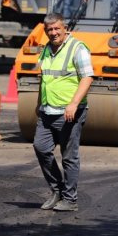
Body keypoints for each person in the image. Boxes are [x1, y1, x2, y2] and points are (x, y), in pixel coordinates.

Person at [33, 12, 94, 212]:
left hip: (69, 112)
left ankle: (70, 199)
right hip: (47, 110)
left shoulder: (77, 48)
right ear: (45, 31)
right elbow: (44, 79)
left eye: (57, 28)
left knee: (68, 156)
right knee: (41, 147)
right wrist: (38, 103)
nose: (53, 33)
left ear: (65, 28)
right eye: (49, 29)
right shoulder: (45, 50)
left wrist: (74, 103)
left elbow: (87, 78)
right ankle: (57, 189)